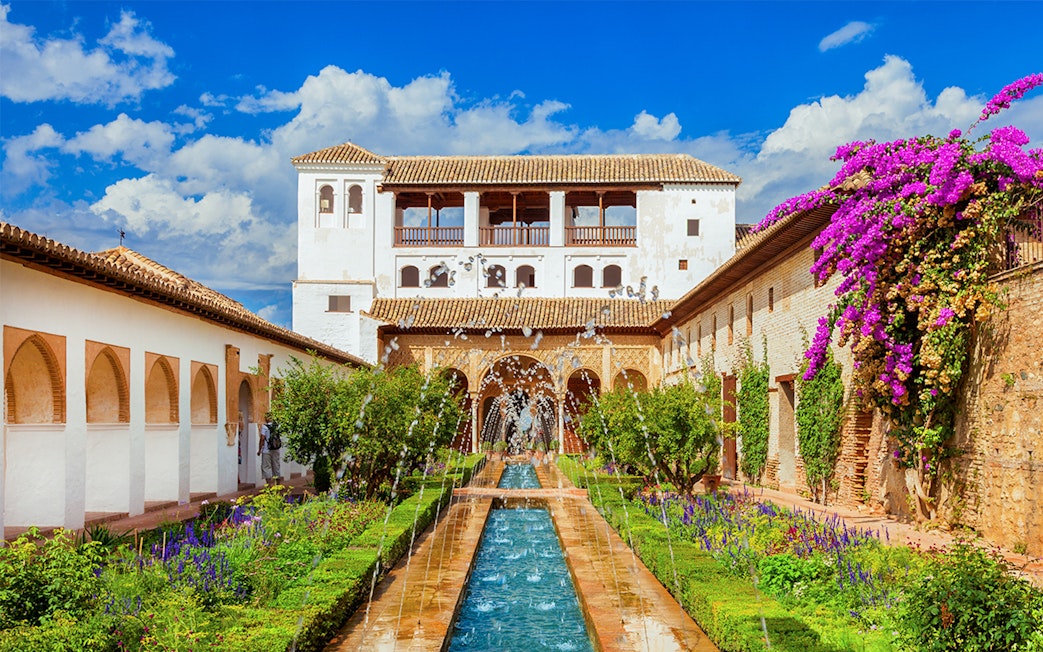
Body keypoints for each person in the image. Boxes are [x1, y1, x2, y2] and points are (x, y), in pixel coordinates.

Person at [258, 413, 281, 486]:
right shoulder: (277, 426)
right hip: (276, 449)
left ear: (266, 418)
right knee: (276, 466)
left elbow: (262, 439)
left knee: (266, 467)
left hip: (266, 450)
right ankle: (278, 485)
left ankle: (269, 485)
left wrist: (259, 450)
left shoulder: (264, 426)